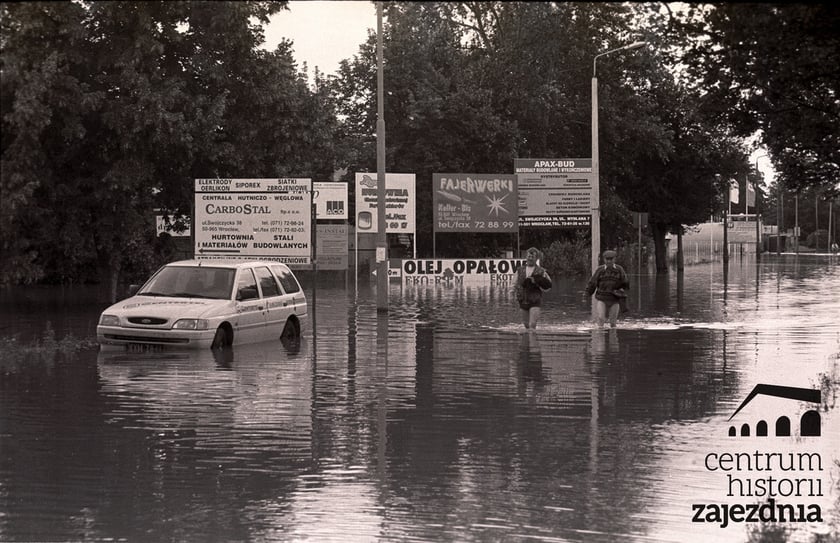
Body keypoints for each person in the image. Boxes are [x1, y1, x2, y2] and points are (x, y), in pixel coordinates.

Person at [584, 250, 630, 328]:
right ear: (604, 259)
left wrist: (622, 289)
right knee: (601, 318)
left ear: (614, 259)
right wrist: (587, 294)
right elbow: (592, 283)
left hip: (615, 299)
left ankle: (613, 339)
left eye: (611, 259)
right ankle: (599, 338)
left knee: (613, 323)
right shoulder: (600, 270)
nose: (609, 261)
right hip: (602, 298)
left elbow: (625, 283)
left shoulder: (619, 269)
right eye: (607, 259)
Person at [514, 247, 552, 330]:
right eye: (529, 256)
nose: (530, 258)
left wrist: (538, 283)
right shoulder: (519, 270)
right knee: (527, 326)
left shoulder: (541, 271)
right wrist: (514, 293)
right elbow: (514, 284)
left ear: (536, 258)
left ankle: (533, 342)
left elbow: (549, 286)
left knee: (532, 325)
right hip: (523, 300)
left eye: (532, 257)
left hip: (535, 300)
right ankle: (528, 341)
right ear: (526, 257)